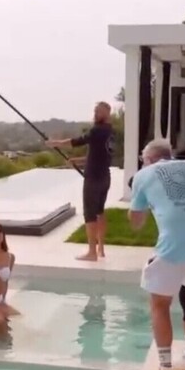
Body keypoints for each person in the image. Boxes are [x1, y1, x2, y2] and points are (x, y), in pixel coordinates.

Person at [129, 138, 185, 370]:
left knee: (160, 304)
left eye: (142, 159)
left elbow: (136, 223)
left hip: (172, 246)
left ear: (149, 159)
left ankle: (165, 367)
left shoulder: (143, 175)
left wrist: (140, 199)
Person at [46, 101, 115, 261]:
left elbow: (76, 142)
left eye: (98, 111)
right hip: (105, 177)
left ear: (107, 113)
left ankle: (92, 253)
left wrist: (55, 143)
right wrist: (77, 161)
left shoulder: (97, 130)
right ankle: (101, 249)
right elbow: (98, 156)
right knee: (100, 212)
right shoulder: (110, 132)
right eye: (95, 110)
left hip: (93, 179)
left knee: (90, 215)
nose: (95, 114)